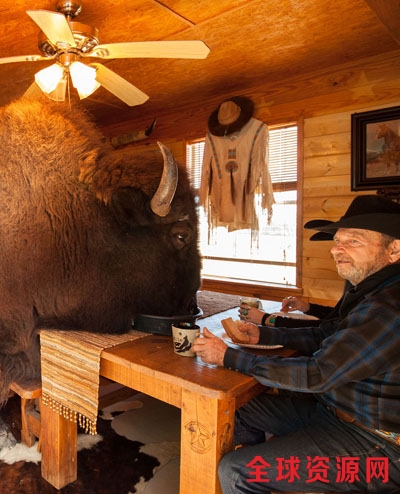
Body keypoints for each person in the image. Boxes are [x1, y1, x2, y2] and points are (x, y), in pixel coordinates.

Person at [192, 194, 400, 493]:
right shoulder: (371, 291)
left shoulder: (389, 306)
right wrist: (265, 334)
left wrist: (229, 357)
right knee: (234, 409)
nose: (336, 249)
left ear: (394, 250)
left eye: (353, 241)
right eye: (337, 240)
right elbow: (326, 334)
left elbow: (318, 373)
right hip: (333, 413)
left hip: (379, 443)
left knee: (237, 471)